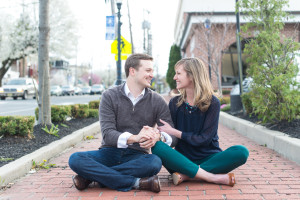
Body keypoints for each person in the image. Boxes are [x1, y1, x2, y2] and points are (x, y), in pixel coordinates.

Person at [68, 53, 177, 192]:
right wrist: (135, 138)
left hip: (137, 156)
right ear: (132, 71)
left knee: (155, 163)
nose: (152, 75)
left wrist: (159, 137)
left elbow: (172, 136)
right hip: (108, 152)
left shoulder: (157, 100)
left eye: (152, 71)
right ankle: (137, 183)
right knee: (75, 159)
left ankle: (91, 177)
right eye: (148, 70)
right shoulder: (109, 96)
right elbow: (108, 134)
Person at [151, 57, 249, 186]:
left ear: (192, 76)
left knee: (241, 152)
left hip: (210, 158)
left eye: (178, 73)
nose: (174, 77)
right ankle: (212, 177)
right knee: (156, 146)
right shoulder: (175, 103)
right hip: (182, 160)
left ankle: (187, 176)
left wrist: (175, 132)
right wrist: (160, 136)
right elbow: (170, 137)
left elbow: (204, 139)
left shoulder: (212, 102)